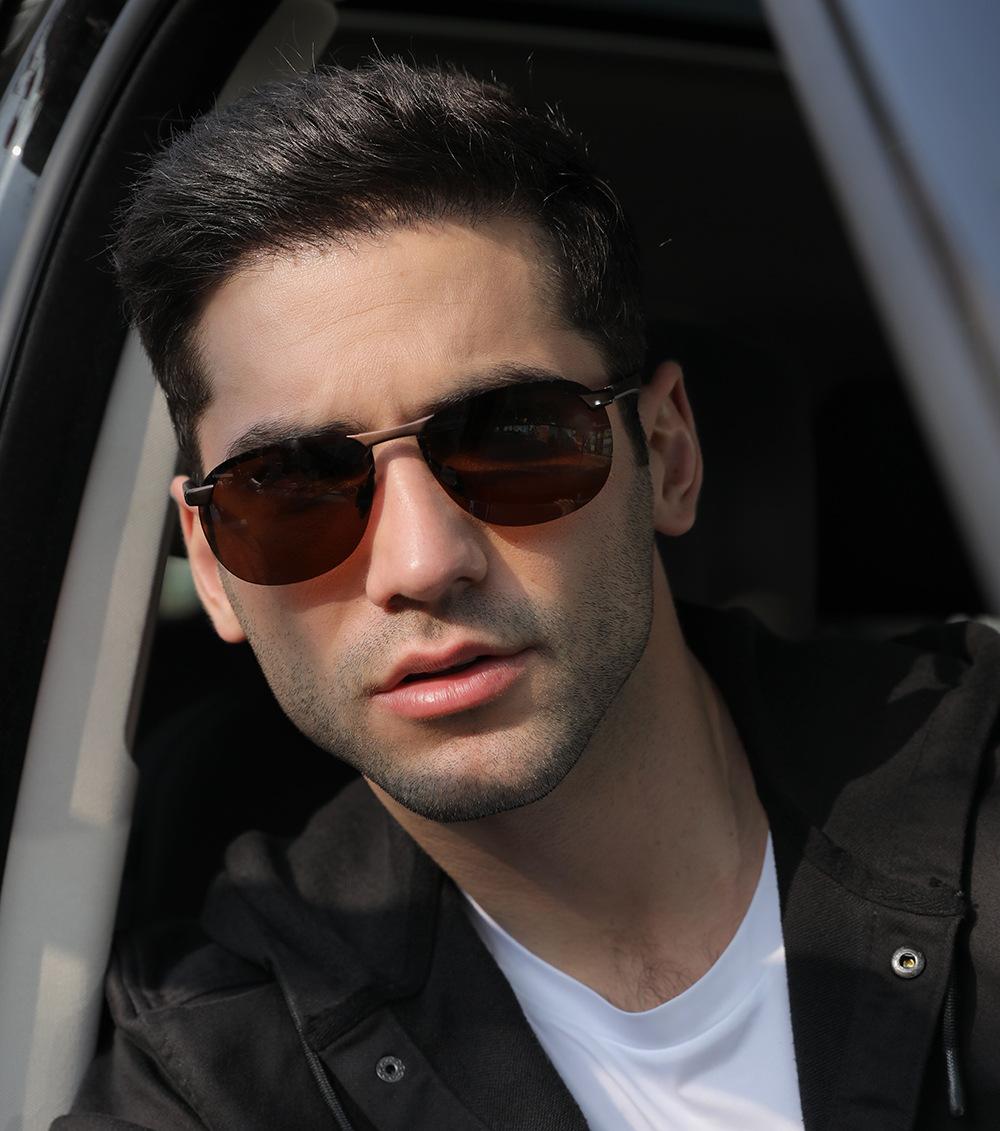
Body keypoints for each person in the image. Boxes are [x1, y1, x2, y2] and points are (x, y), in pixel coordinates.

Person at [56, 59, 1000, 1130]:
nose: (421, 562)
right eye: (291, 489)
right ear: (211, 566)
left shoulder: (978, 786)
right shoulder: (215, 1069)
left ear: (666, 454)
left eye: (510, 440)